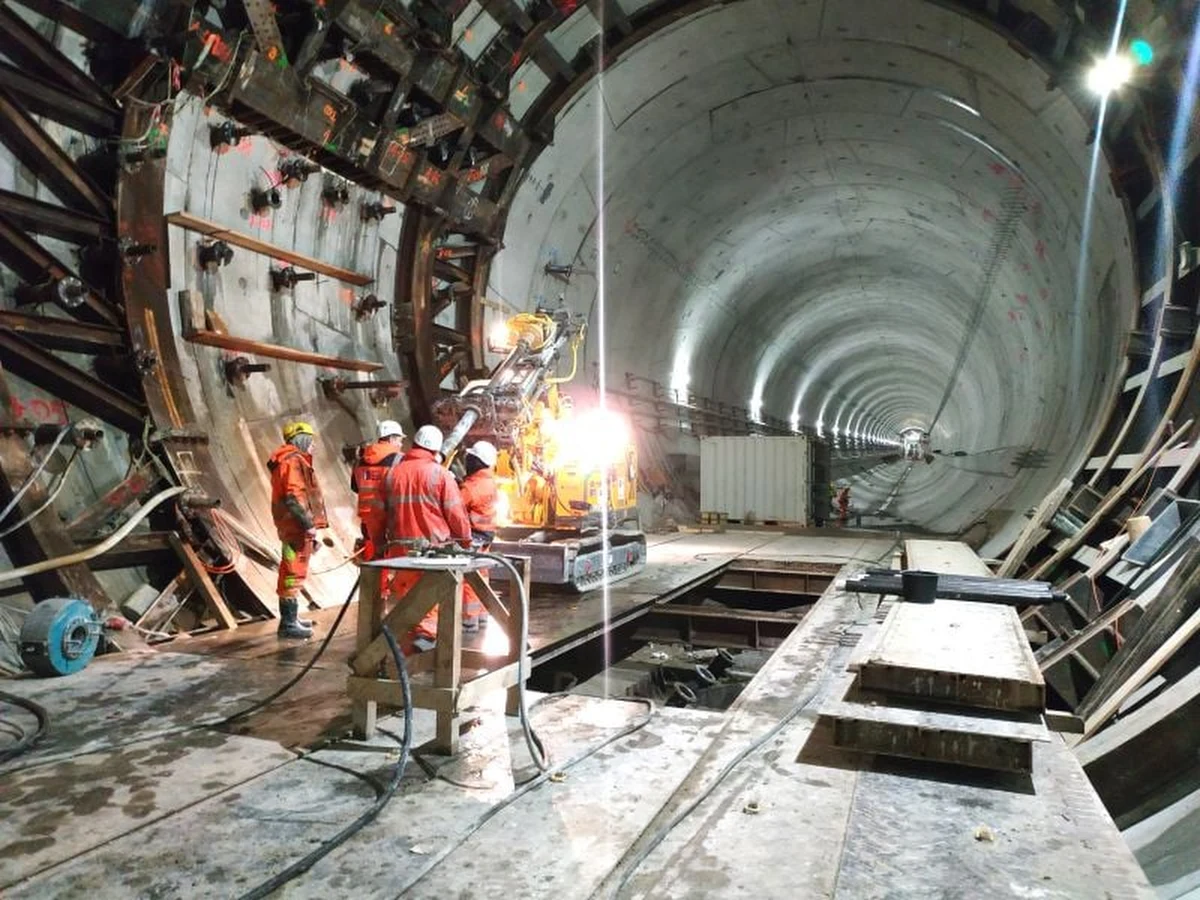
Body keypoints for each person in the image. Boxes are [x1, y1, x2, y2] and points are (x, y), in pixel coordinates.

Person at [380, 424, 471, 652]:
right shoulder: (438, 474)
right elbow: (455, 512)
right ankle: (427, 638)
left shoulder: (394, 473)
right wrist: (465, 541)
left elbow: (386, 512)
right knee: (431, 595)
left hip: (401, 549)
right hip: (433, 549)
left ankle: (409, 638)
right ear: (436, 449)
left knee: (408, 593)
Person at [267, 421, 328, 639]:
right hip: (295, 528)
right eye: (311, 441)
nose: (313, 446)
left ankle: (291, 619)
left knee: (293, 571)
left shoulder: (288, 460)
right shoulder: (292, 462)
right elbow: (294, 497)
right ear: (302, 439)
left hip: (292, 526)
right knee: (293, 572)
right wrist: (308, 524)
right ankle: (288, 624)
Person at [351, 420, 405, 561]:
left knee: (372, 559)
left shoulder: (360, 460)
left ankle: (372, 583)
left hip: (367, 521)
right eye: (399, 440)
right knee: (391, 560)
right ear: (392, 438)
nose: (401, 444)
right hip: (389, 519)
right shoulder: (399, 460)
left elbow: (355, 487)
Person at [459, 440, 498, 632]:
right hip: (486, 535)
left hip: (472, 536)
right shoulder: (490, 482)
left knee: (469, 578)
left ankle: (469, 620)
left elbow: (456, 507)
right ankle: (482, 615)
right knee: (482, 575)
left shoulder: (471, 486)